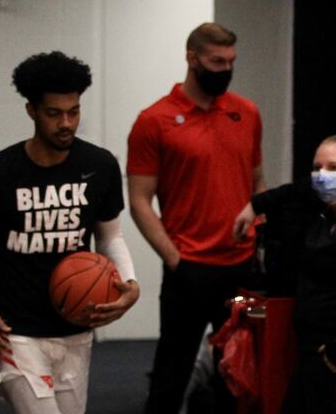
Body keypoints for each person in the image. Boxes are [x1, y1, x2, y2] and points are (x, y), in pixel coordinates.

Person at [0, 51, 140, 414]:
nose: (66, 123)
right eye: (54, 113)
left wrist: (129, 283)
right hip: (15, 333)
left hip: (76, 327)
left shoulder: (100, 166)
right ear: (31, 110)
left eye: (74, 111)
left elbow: (110, 237)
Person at [126, 22, 265, 413]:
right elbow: (139, 201)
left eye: (231, 62)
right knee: (171, 374)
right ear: (192, 59)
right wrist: (175, 260)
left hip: (241, 265)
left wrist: (262, 228)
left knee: (239, 376)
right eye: (216, 61)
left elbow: (257, 182)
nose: (224, 69)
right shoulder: (154, 120)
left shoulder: (247, 112)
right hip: (188, 267)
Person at [233, 135, 336, 413]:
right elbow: (294, 191)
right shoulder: (329, 210)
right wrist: (255, 205)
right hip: (311, 346)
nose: (322, 176)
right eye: (317, 167)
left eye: (333, 168)